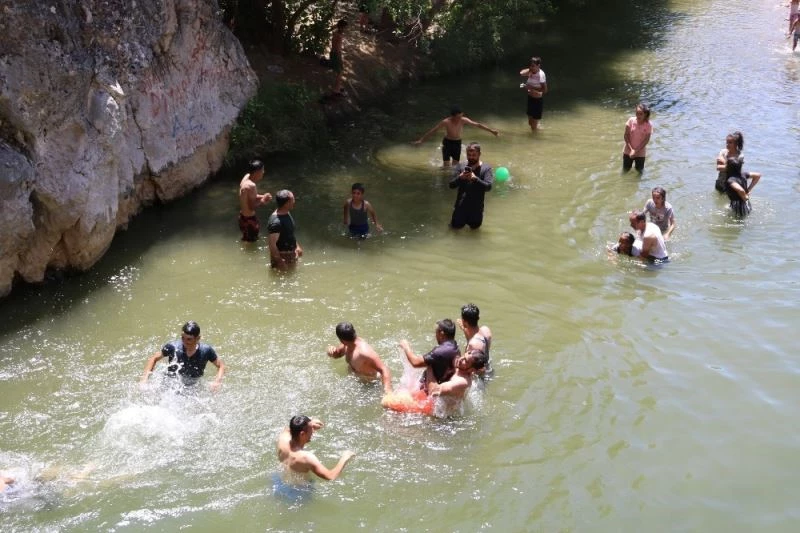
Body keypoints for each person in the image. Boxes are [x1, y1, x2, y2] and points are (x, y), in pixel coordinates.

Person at [140, 321, 225, 391]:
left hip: (193, 384)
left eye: (189, 339)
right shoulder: (173, 347)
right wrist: (145, 379)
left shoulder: (206, 350)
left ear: (198, 338)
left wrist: (217, 381)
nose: (185, 342)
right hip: (171, 382)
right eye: (183, 338)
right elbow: (153, 358)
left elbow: (221, 366)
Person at [413, 106, 499, 167]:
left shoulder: (463, 120)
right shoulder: (446, 122)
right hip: (447, 143)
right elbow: (433, 130)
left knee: (455, 166)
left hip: (457, 143)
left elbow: (477, 125)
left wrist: (491, 131)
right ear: (452, 116)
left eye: (461, 116)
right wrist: (421, 140)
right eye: (458, 117)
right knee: (446, 166)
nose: (459, 118)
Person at [276, 416, 355, 482]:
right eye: (311, 429)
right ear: (302, 434)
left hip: (279, 480)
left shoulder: (283, 439)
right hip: (298, 491)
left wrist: (310, 422)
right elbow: (331, 477)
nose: (313, 431)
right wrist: (345, 458)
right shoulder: (306, 457)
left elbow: (290, 428)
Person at [327, 322, 392, 394]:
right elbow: (337, 354)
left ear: (341, 339)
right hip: (356, 382)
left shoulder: (364, 352)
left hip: (371, 386)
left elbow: (384, 369)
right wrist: (331, 350)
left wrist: (388, 392)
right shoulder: (346, 345)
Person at [398, 319, 460, 394]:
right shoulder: (455, 346)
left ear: (441, 334)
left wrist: (406, 346)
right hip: (441, 385)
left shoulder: (441, 351)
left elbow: (415, 362)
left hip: (429, 392)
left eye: (436, 332)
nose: (435, 335)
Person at [715, 132, 762, 216]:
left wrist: (748, 191)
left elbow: (722, 166)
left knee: (733, 203)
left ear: (736, 144)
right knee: (721, 200)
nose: (727, 144)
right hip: (721, 181)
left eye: (730, 142)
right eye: (727, 142)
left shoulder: (740, 155)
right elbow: (719, 166)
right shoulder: (723, 151)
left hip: (733, 182)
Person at [448, 142, 494, 229]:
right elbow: (451, 185)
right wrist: (460, 178)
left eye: (474, 155)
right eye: (469, 155)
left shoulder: (486, 168)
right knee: (454, 230)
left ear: (479, 154)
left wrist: (475, 179)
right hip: (460, 208)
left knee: (474, 234)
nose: (471, 157)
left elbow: (488, 187)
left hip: (476, 210)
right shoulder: (461, 167)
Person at [238, 159, 273, 242]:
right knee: (251, 243)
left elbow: (249, 197)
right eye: (262, 170)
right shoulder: (251, 186)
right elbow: (252, 207)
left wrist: (262, 196)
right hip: (249, 220)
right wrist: (263, 200)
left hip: (242, 217)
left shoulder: (246, 178)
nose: (263, 172)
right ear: (257, 172)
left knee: (246, 239)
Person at [268, 190, 303, 269]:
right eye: (293, 200)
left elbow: (289, 232)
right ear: (287, 203)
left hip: (290, 254)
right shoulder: (276, 222)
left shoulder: (286, 213)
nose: (294, 201)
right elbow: (272, 246)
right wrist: (280, 262)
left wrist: (297, 247)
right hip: (282, 257)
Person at [457, 303, 493, 376]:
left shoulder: (473, 345)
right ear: (478, 317)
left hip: (478, 378)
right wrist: (464, 329)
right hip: (488, 369)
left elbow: (469, 367)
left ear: (465, 322)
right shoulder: (486, 330)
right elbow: (473, 339)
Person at [519, 56, 548, 131]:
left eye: (533, 66)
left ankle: (536, 138)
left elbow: (544, 90)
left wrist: (530, 87)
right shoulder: (531, 71)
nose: (531, 67)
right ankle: (538, 127)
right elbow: (521, 73)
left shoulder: (541, 75)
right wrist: (530, 70)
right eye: (530, 65)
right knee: (530, 123)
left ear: (538, 66)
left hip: (537, 101)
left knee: (533, 127)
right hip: (530, 99)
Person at [622, 103, 652, 173]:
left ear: (645, 114)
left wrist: (635, 151)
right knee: (625, 171)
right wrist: (631, 150)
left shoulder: (649, 125)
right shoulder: (631, 120)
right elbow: (626, 136)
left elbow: (646, 140)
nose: (638, 115)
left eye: (640, 114)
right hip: (628, 151)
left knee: (639, 172)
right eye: (637, 113)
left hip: (641, 152)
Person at [330, 19, 348, 96]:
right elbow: (337, 48)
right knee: (339, 72)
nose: (345, 29)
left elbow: (333, 27)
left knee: (338, 71)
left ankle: (337, 86)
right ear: (342, 27)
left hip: (332, 53)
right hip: (336, 54)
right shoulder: (339, 36)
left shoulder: (335, 33)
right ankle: (336, 90)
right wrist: (339, 56)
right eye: (345, 28)